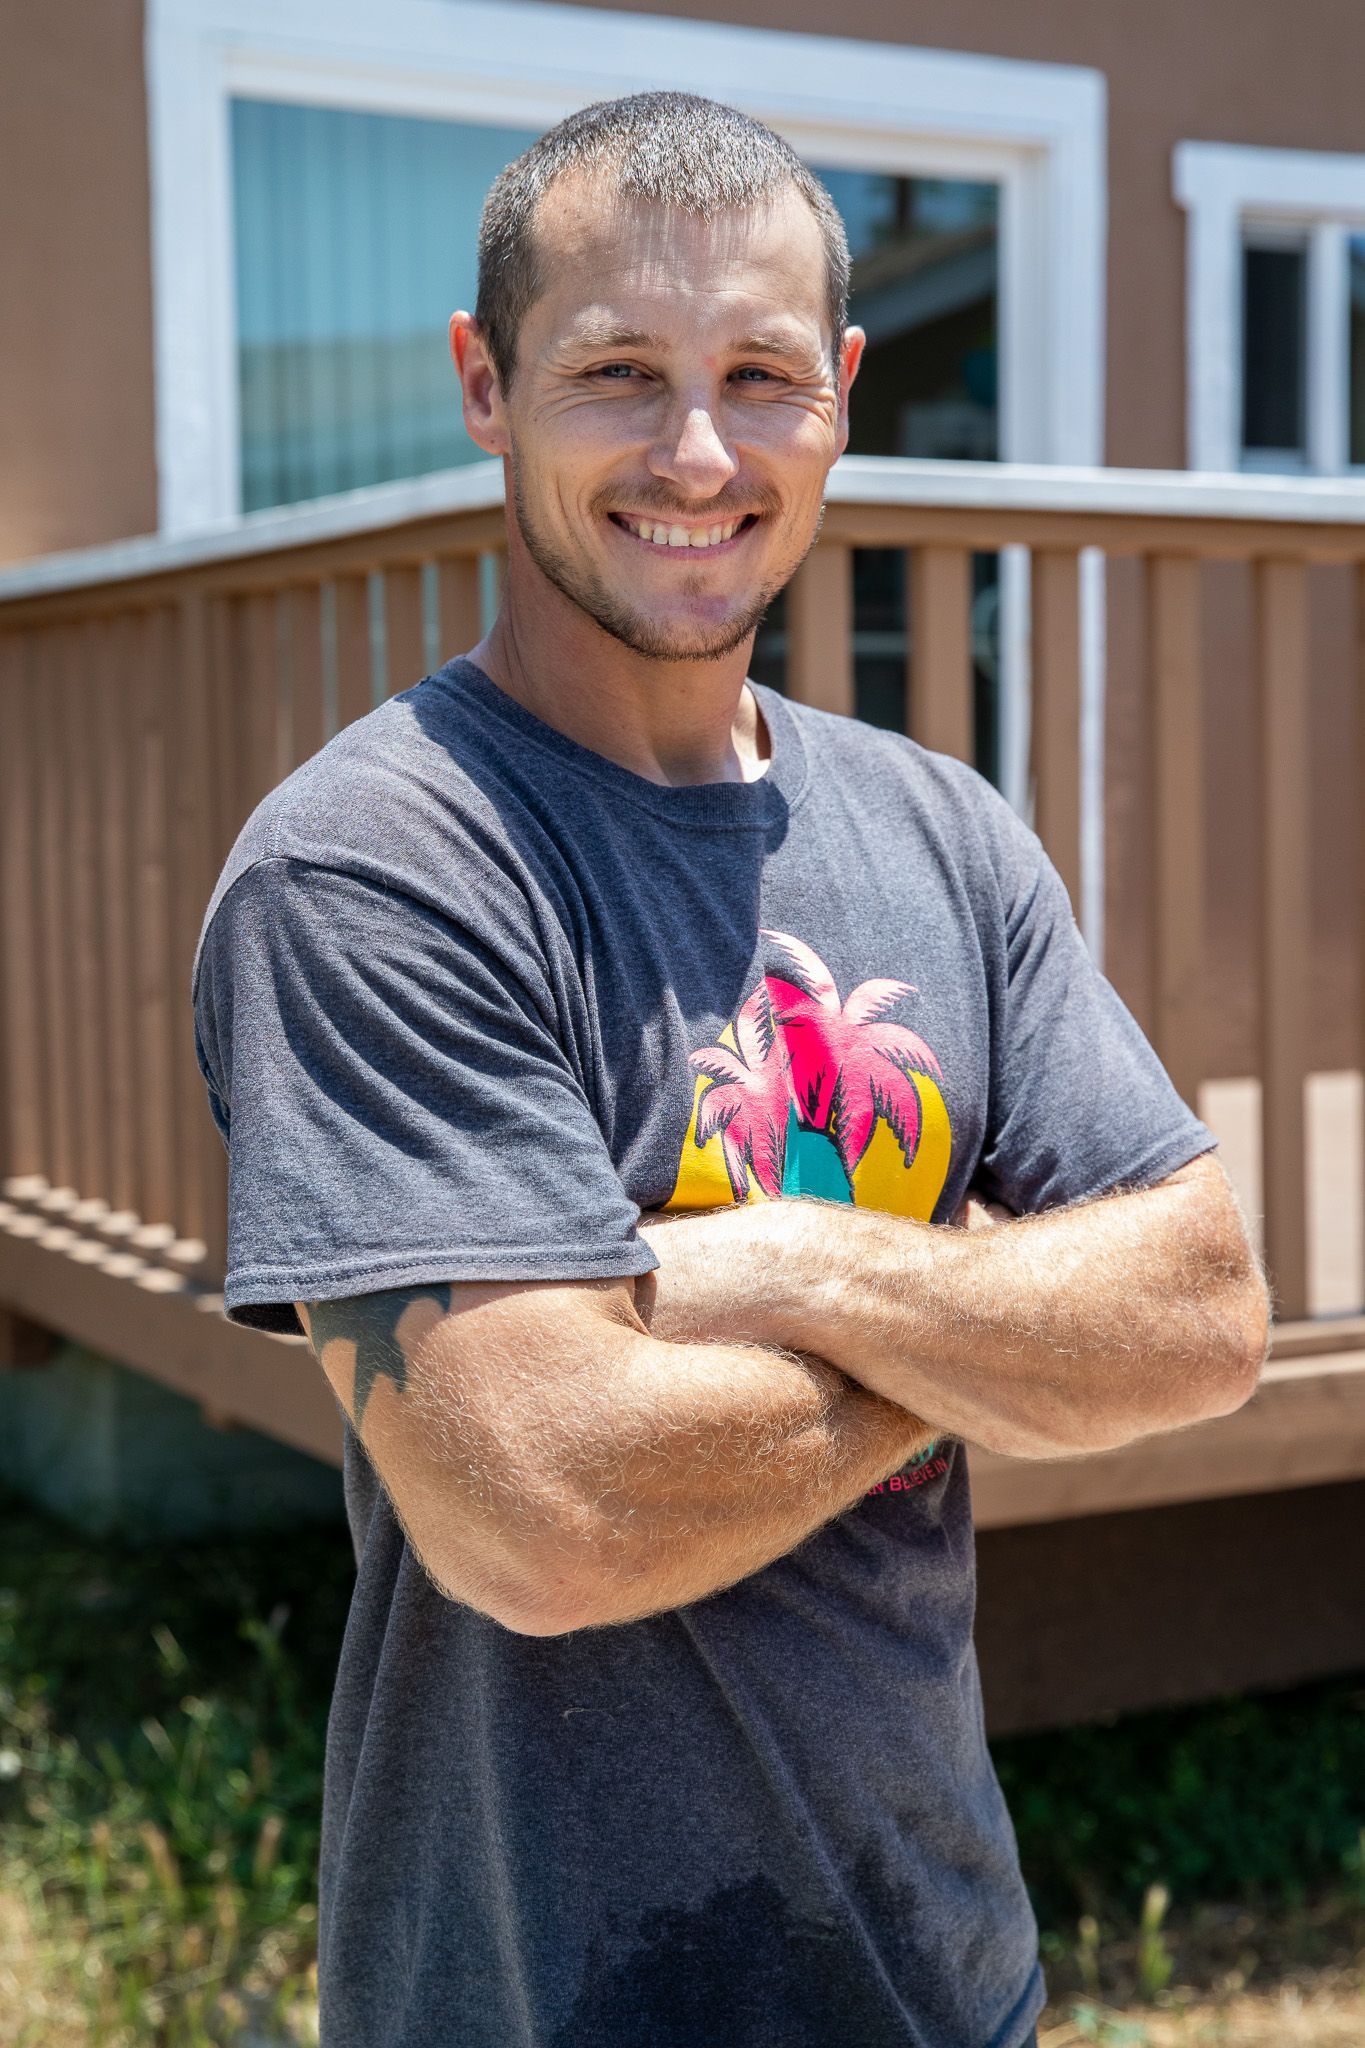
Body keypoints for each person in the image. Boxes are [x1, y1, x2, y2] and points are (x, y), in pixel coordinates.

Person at [192, 91, 1269, 2048]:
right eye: (617, 371)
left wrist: (782, 1267)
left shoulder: (943, 833)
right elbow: (545, 1513)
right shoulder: (373, 871)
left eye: (759, 375)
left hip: (944, 1986)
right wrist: (979, 1342)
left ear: (838, 394)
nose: (696, 452)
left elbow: (1198, 1317)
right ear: (484, 384)